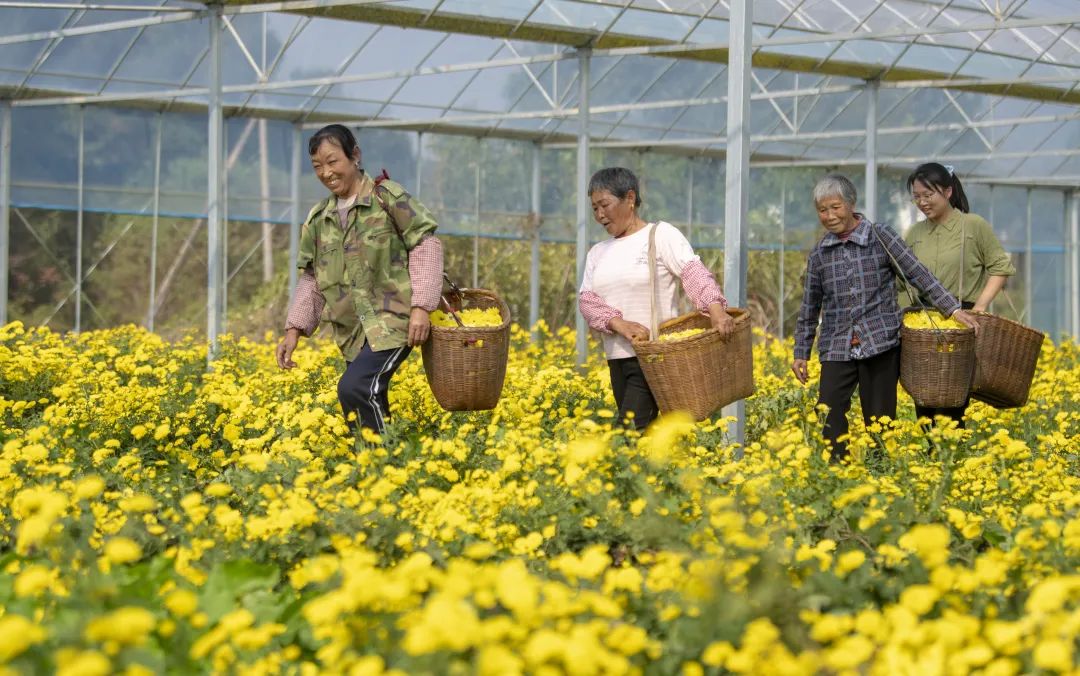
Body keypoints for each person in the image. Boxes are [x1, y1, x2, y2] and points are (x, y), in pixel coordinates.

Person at [791, 174, 979, 461]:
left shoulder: (880, 236)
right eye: (822, 210)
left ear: (851, 203)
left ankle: (879, 475)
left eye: (835, 207)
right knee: (828, 411)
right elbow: (809, 306)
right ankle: (837, 470)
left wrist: (952, 309)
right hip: (836, 344)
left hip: (880, 340)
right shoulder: (820, 254)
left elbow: (918, 274)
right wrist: (801, 352)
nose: (829, 216)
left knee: (879, 420)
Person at [276, 124, 444, 434]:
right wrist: (294, 329)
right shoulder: (318, 219)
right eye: (317, 166)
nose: (326, 172)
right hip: (353, 331)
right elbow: (312, 277)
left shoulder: (387, 197)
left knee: (355, 389)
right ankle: (373, 470)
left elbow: (425, 244)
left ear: (355, 156)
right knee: (361, 399)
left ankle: (381, 463)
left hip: (394, 320)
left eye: (332, 161)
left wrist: (422, 307)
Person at [578, 167, 734, 430]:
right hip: (617, 357)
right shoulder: (598, 252)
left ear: (629, 198)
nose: (599, 214)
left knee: (628, 434)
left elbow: (693, 272)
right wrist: (619, 324)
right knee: (644, 436)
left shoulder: (660, 235)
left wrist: (716, 310)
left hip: (653, 356)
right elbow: (587, 301)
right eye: (594, 208)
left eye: (604, 205)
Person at [903, 162, 1016, 427]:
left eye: (928, 195)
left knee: (953, 400)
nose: (922, 202)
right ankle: (934, 461)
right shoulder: (916, 232)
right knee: (925, 399)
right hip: (924, 324)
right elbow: (902, 280)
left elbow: (1000, 267)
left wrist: (979, 307)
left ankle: (952, 459)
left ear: (948, 192)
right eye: (917, 196)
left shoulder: (972, 226)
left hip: (961, 320)